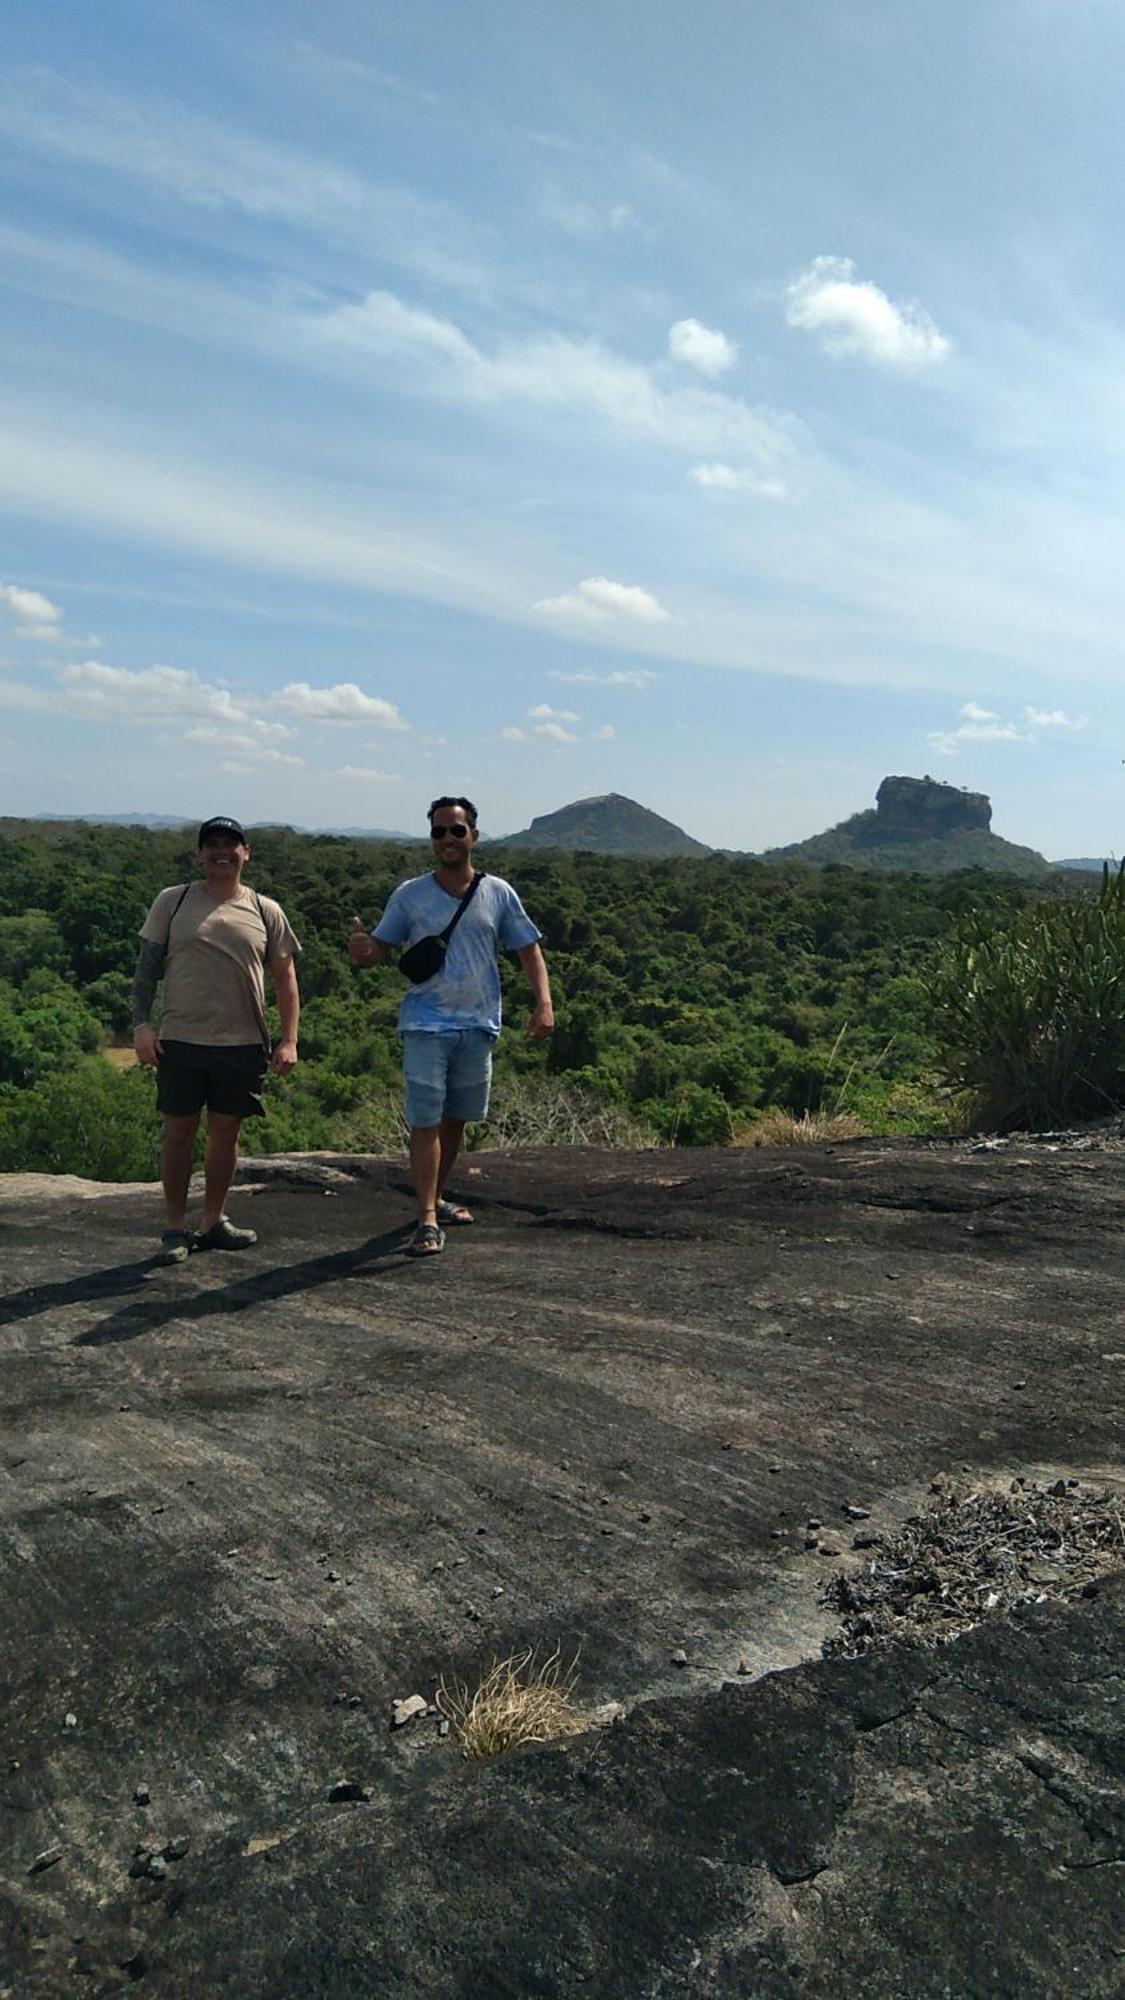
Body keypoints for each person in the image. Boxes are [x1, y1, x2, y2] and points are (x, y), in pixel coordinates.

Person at [348, 795, 553, 1255]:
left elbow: (528, 949)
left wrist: (543, 1003)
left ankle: (435, 1199)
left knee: (456, 1118)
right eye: (439, 831)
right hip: (426, 1023)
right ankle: (425, 1218)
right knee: (425, 1120)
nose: (447, 839)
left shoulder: (497, 892)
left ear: (473, 837)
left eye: (456, 831)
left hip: (479, 1023)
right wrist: (364, 951)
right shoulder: (410, 895)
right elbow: (381, 948)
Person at [132, 816, 301, 1264]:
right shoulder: (173, 901)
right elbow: (147, 969)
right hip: (182, 1038)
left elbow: (285, 979)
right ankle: (173, 1227)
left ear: (246, 853)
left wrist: (289, 1039)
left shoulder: (266, 909)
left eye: (231, 844)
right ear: (199, 854)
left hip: (242, 1041)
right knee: (178, 1132)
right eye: (212, 845)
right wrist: (141, 1025)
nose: (221, 852)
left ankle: (212, 1219)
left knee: (225, 1135)